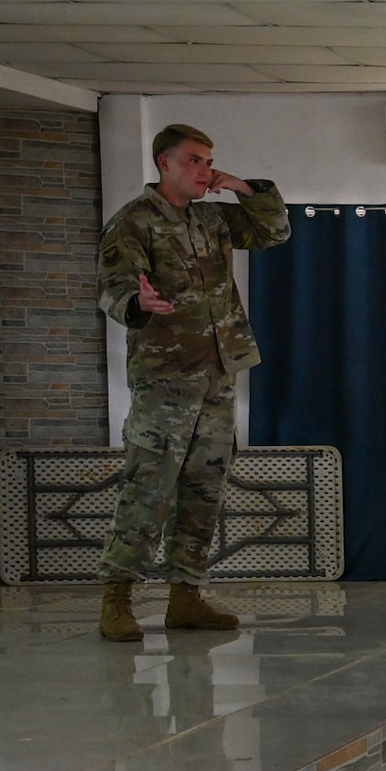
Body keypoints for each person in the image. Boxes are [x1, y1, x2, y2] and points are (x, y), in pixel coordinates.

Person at [95, 125, 291, 642]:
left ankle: (187, 596)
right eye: (195, 161)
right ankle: (116, 597)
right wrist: (140, 304)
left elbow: (273, 233)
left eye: (209, 162)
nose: (205, 171)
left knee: (205, 490)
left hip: (218, 374)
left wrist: (247, 189)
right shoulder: (133, 222)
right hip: (167, 379)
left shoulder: (211, 218)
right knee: (149, 488)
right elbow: (114, 287)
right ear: (165, 163)